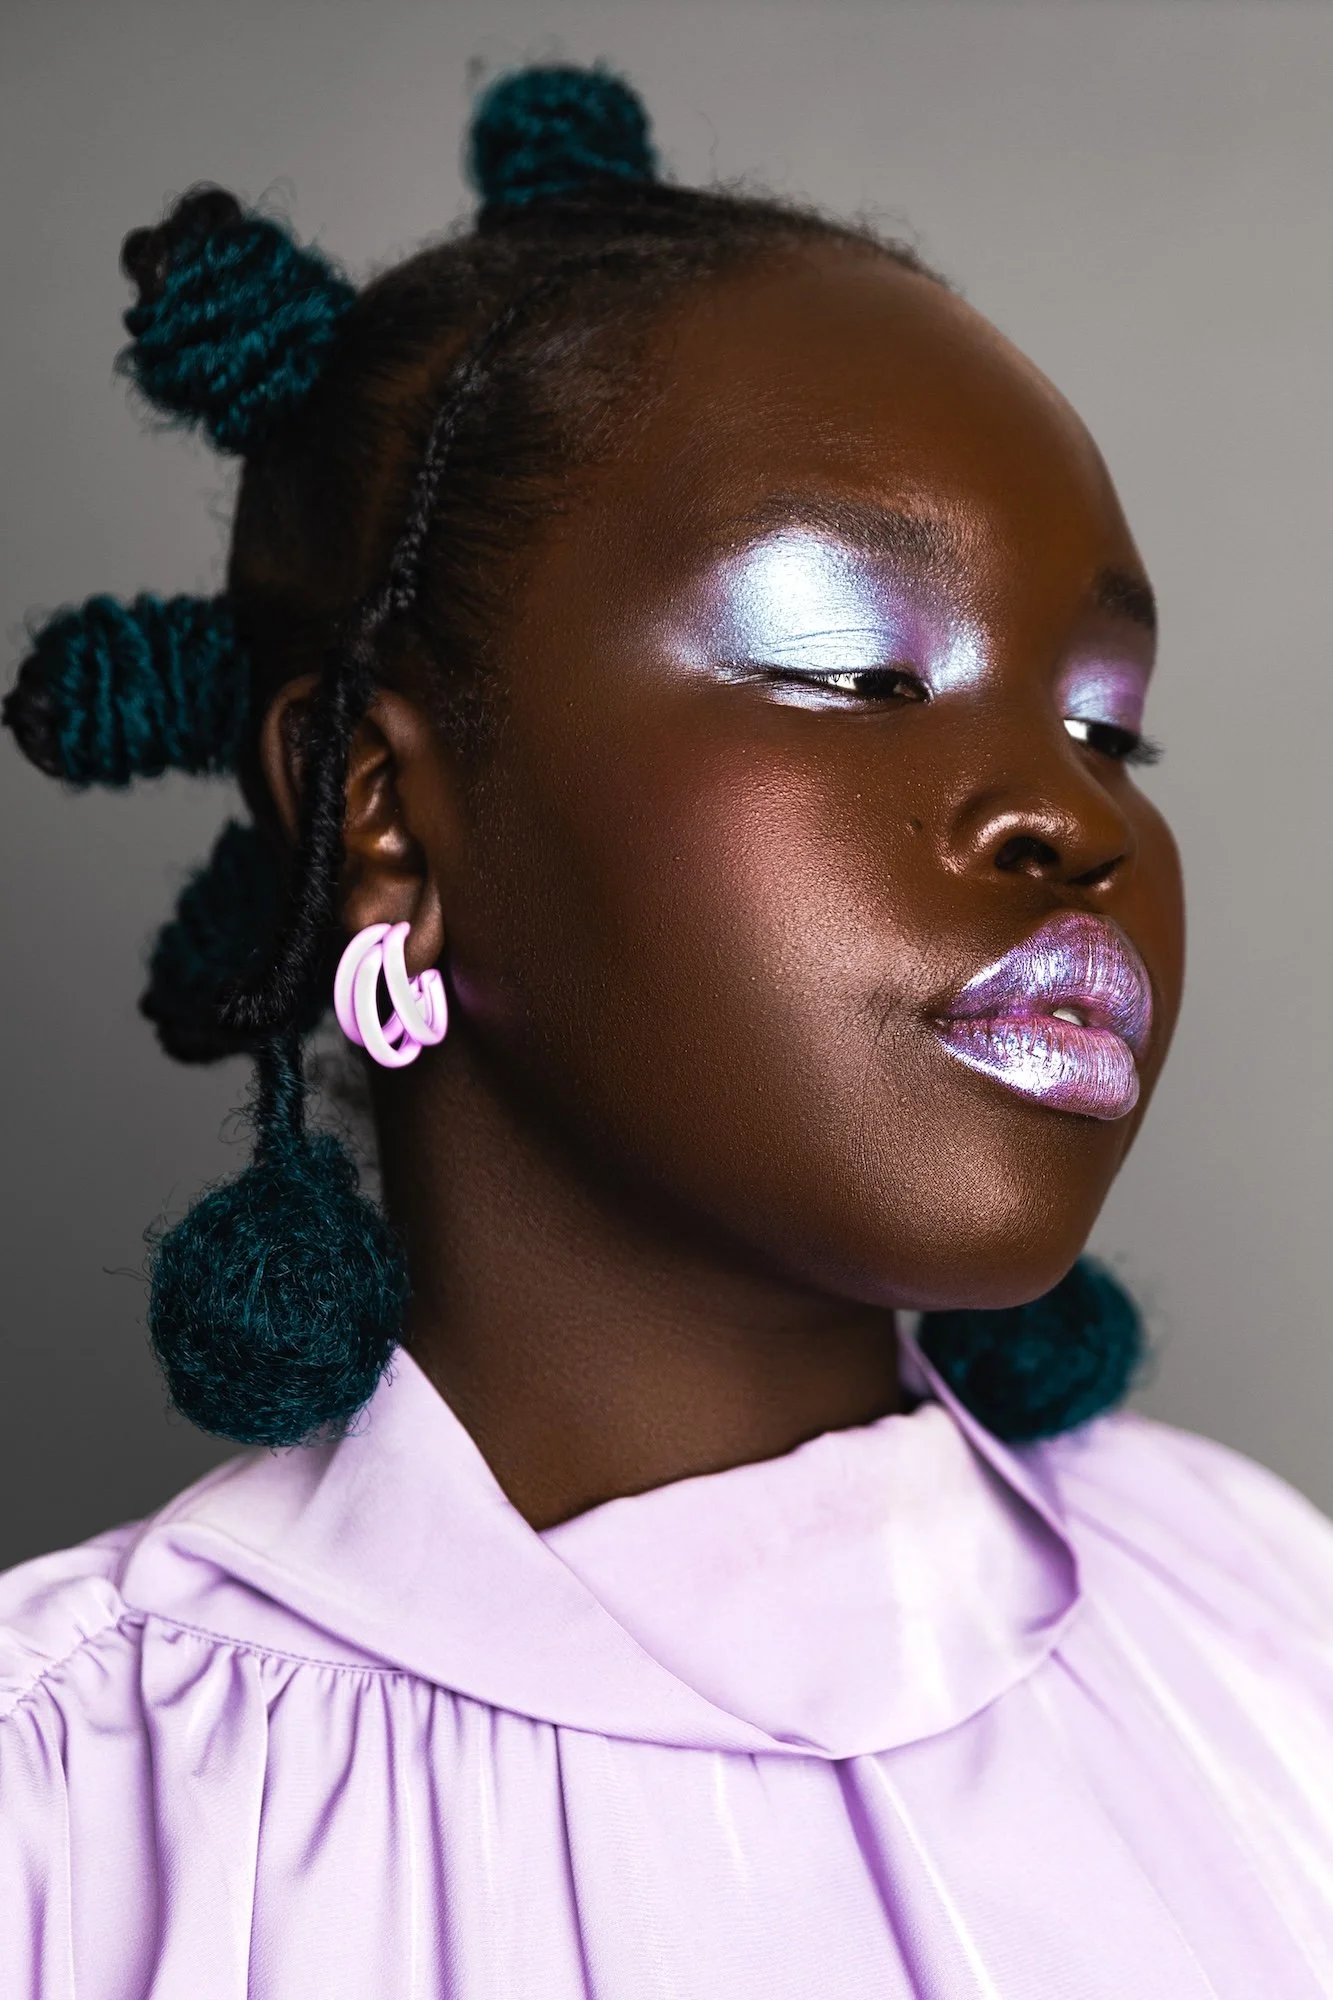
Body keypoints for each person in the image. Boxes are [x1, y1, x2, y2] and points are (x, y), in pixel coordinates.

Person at [3, 61, 1332, 2000]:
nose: (1078, 812)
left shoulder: (1272, 1625)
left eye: (1107, 723)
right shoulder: (72, 1826)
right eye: (851, 666)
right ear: (383, 811)